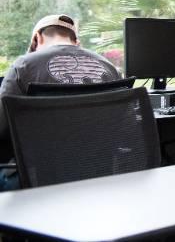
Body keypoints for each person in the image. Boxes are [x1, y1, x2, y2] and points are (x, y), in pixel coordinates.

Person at [0, 14, 121, 190]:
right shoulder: (109, 67)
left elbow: (2, 127)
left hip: (36, 179)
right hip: (98, 175)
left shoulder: (24, 65)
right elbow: (124, 124)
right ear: (76, 41)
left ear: (37, 38)